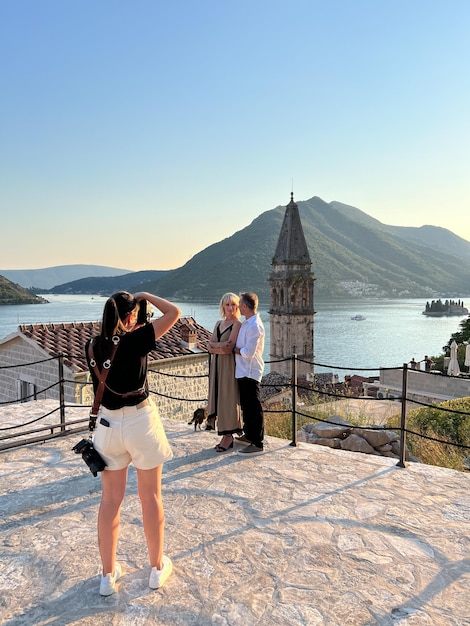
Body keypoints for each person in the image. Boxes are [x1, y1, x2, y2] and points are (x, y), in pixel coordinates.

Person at [85, 291, 181, 596]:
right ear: (129, 317)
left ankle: (107, 576)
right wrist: (147, 297)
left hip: (107, 427)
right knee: (150, 496)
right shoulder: (137, 340)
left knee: (110, 501)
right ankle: (155, 569)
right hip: (141, 422)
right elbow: (174, 312)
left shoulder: (92, 346)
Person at [207, 293, 243, 452]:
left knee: (228, 397)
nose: (230, 308)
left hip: (229, 366)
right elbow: (209, 346)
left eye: (233, 305)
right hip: (217, 365)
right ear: (223, 306)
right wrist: (218, 346)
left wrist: (216, 347)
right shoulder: (218, 324)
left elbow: (229, 349)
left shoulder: (237, 325)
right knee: (219, 397)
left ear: (238, 306)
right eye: (227, 305)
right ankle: (225, 435)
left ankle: (228, 436)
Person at [233, 292, 265, 455]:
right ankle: (249, 434)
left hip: (250, 370)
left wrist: (234, 350)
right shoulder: (248, 323)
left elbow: (248, 352)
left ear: (245, 306)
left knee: (253, 406)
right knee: (246, 405)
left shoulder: (254, 326)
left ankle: (258, 442)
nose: (238, 306)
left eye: (239, 304)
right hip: (243, 370)